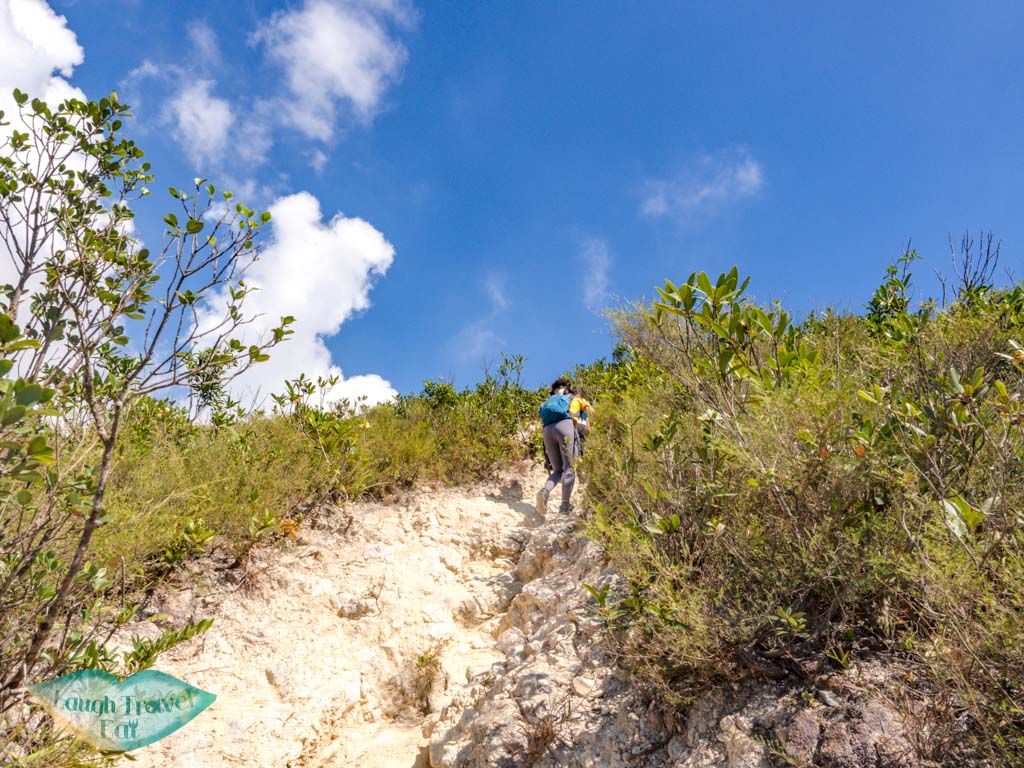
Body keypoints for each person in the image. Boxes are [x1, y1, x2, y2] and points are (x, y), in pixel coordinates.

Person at [536, 378, 577, 515]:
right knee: (569, 467)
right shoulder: (569, 396)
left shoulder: (548, 401)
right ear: (565, 388)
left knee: (557, 470)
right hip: (564, 425)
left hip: (547, 431)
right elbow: (577, 413)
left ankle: (545, 491)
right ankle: (565, 505)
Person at [569, 387, 594, 457]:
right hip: (583, 426)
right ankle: (580, 461)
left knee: (573, 444)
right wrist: (588, 428)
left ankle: (574, 460)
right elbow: (586, 416)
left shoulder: (571, 401)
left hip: (573, 424)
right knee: (581, 445)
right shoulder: (583, 401)